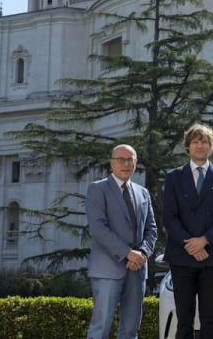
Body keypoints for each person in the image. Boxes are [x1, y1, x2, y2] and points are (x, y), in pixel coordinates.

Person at [162, 123, 213, 339]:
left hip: (211, 256)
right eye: (195, 141)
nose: (200, 146)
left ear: (211, 146)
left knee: (209, 318)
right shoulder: (174, 177)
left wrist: (204, 240)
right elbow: (169, 217)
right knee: (184, 318)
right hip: (182, 256)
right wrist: (191, 244)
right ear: (188, 146)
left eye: (204, 141)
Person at [85, 144, 157, 339]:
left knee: (131, 330)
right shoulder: (97, 189)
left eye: (130, 159)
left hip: (137, 269)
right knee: (100, 328)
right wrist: (127, 253)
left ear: (136, 163)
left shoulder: (143, 193)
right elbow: (98, 228)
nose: (125, 164)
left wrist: (142, 253)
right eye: (120, 159)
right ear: (111, 163)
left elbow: (151, 229)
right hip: (107, 268)